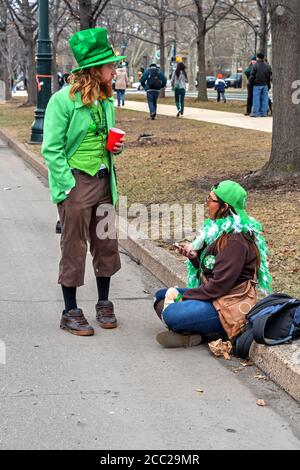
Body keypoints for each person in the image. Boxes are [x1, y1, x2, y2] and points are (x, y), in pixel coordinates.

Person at [42, 28, 126, 336]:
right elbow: (51, 149)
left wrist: (114, 147)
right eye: (110, 66)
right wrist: (67, 186)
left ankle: (103, 302)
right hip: (76, 182)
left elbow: (104, 139)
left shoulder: (105, 101)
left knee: (106, 244)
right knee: (74, 246)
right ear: (94, 70)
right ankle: (70, 311)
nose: (114, 70)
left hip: (104, 181)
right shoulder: (62, 102)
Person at [153, 180, 272, 348]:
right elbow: (211, 268)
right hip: (214, 297)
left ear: (225, 207)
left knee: (171, 312)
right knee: (159, 296)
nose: (207, 203)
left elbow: (218, 287)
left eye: (211, 199)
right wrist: (194, 256)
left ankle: (201, 330)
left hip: (226, 304)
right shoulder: (219, 229)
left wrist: (182, 297)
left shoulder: (236, 241)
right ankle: (195, 332)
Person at [249, 52, 272, 117]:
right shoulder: (267, 66)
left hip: (256, 84)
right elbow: (269, 75)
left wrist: (251, 82)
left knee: (256, 99)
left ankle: (256, 113)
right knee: (265, 99)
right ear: (263, 58)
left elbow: (252, 76)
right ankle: (264, 113)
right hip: (265, 84)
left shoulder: (255, 66)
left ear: (257, 58)